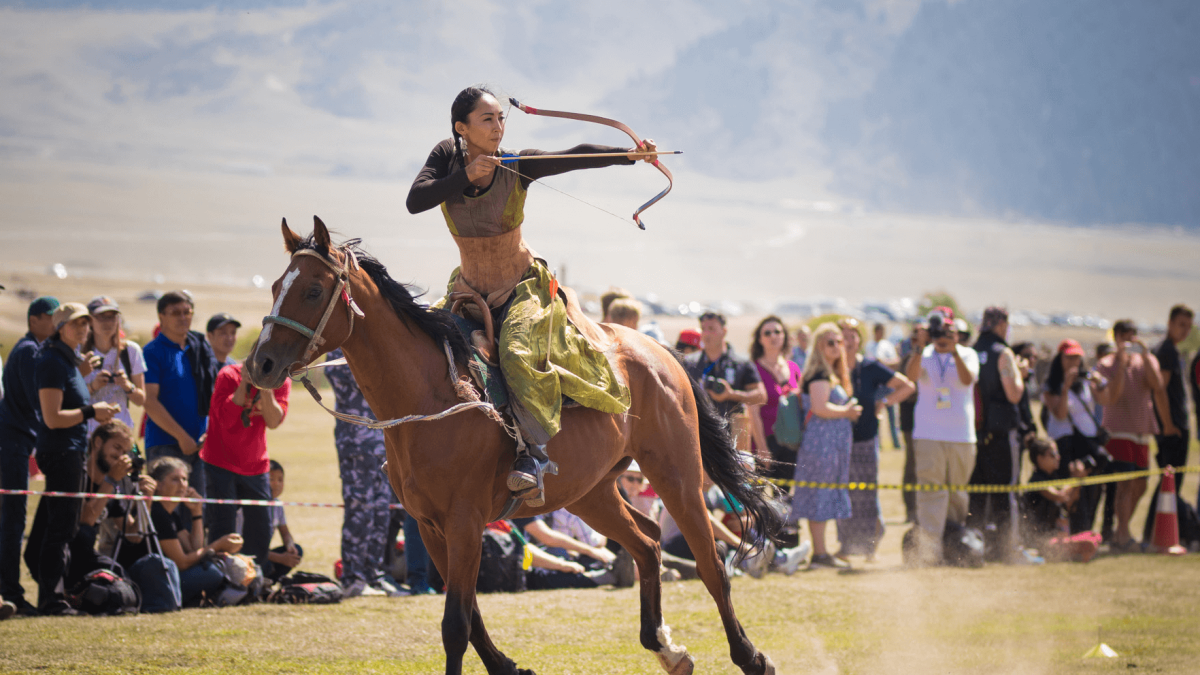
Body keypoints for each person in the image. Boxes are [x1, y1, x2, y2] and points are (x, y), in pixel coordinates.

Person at [406, 86, 660, 505]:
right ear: (461, 128)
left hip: (522, 286)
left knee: (517, 353)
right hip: (469, 289)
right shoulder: (445, 158)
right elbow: (416, 201)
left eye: (501, 118)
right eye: (487, 119)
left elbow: (570, 156)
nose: (498, 126)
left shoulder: (515, 163)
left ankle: (533, 454)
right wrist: (463, 176)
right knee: (430, 348)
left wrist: (628, 154)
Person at [33, 302, 121, 614]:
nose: (82, 329)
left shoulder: (68, 361)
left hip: (69, 450)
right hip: (61, 452)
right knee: (61, 529)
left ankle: (49, 591)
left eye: (85, 323)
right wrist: (91, 411)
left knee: (50, 525)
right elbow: (52, 417)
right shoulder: (54, 362)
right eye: (75, 324)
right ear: (59, 329)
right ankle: (53, 598)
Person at [324, 349, 415, 597]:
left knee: (381, 511)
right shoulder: (339, 349)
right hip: (356, 443)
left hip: (382, 442)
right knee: (360, 511)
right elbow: (347, 375)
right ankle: (354, 577)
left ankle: (375, 575)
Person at [199, 360, 290, 577]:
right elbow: (225, 419)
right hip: (220, 461)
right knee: (223, 522)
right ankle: (219, 577)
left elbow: (274, 420)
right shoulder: (229, 375)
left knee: (261, 525)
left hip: (255, 463)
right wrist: (244, 385)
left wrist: (265, 387)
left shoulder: (280, 380)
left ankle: (255, 577)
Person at [111, 457, 242, 606]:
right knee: (212, 572)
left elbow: (194, 549)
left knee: (213, 568)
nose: (182, 485)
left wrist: (197, 513)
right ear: (158, 485)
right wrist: (218, 545)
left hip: (157, 579)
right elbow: (183, 562)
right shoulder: (157, 512)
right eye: (175, 479)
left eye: (184, 479)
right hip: (142, 583)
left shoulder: (170, 514)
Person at [905, 307, 979, 566]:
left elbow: (967, 379)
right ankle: (929, 550)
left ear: (958, 333)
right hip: (928, 434)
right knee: (930, 493)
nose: (942, 338)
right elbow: (911, 378)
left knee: (958, 493)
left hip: (962, 436)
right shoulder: (923, 355)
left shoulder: (968, 354)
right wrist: (920, 346)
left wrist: (955, 349)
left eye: (948, 332)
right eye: (938, 333)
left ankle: (955, 543)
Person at [1094, 320, 1175, 552]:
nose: (1130, 342)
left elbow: (1157, 385)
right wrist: (1121, 364)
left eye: (1133, 337)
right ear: (1117, 337)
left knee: (1140, 484)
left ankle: (1123, 530)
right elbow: (1112, 396)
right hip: (1119, 431)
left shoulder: (1146, 360)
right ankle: (1122, 534)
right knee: (1124, 485)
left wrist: (1147, 356)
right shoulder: (1106, 363)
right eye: (1126, 337)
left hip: (1142, 430)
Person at [0, 296, 59, 616]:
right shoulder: (28, 352)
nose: (55, 323)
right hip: (13, 442)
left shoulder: (33, 350)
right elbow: (39, 403)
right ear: (34, 319)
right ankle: (11, 591)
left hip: (20, 441)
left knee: (13, 518)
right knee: (13, 519)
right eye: (51, 317)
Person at [836, 318, 913, 562]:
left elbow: (907, 385)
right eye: (843, 336)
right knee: (843, 494)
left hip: (867, 439)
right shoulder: (831, 369)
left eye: (852, 336)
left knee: (868, 495)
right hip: (838, 441)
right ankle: (846, 547)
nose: (848, 341)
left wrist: (885, 402)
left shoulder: (870, 367)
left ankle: (870, 547)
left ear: (859, 340)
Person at [790, 322, 861, 569]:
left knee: (824, 494)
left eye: (839, 342)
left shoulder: (832, 372)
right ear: (818, 346)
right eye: (830, 342)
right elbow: (820, 407)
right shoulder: (819, 373)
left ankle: (822, 552)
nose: (836, 347)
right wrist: (848, 411)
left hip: (831, 445)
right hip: (821, 445)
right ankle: (820, 554)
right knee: (818, 495)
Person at [967, 307, 1035, 564]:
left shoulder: (972, 351)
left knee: (977, 494)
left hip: (976, 434)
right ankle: (1008, 550)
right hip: (1001, 435)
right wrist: (1022, 374)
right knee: (1006, 493)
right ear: (1001, 325)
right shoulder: (1003, 353)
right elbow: (1014, 394)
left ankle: (975, 549)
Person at [141, 291, 220, 496]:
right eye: (175, 313)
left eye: (187, 312)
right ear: (161, 317)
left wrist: (208, 432)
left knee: (197, 512)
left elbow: (213, 394)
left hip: (200, 445)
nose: (183, 317)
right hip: (165, 445)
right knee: (167, 515)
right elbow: (149, 401)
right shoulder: (152, 352)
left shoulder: (201, 348)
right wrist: (182, 437)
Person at [1042, 339, 1108, 533]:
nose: (1073, 362)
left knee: (1091, 491)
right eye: (1069, 357)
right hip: (1064, 444)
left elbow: (1106, 400)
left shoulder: (1086, 380)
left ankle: (1086, 531)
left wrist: (1100, 382)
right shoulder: (1051, 384)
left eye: (1077, 358)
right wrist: (1065, 387)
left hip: (1087, 443)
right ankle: (1067, 532)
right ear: (1059, 359)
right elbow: (1060, 414)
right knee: (1069, 490)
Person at [1142, 305, 1194, 542]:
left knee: (1171, 484)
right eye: (1181, 324)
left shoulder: (1171, 350)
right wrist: (1168, 425)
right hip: (1171, 428)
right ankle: (1155, 534)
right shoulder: (1166, 351)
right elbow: (1159, 390)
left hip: (1175, 425)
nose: (1185, 331)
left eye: (1188, 326)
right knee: (1168, 483)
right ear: (1170, 323)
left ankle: (1159, 533)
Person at [746, 315, 804, 485]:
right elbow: (753, 412)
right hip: (764, 440)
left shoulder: (793, 368)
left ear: (784, 336)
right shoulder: (753, 369)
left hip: (791, 441)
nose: (773, 336)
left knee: (785, 498)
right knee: (759, 500)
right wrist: (762, 448)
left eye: (777, 332)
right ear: (760, 339)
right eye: (767, 333)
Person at [684, 311, 767, 421]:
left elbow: (761, 396)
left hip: (730, 433)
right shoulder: (689, 363)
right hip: (699, 432)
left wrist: (731, 395)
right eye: (703, 329)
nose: (706, 333)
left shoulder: (741, 363)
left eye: (711, 329)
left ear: (724, 331)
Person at [82, 296, 146, 434]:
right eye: (101, 317)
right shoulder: (79, 353)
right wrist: (93, 386)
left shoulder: (130, 351)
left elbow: (141, 400)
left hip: (120, 434)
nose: (108, 322)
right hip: (87, 436)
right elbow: (68, 399)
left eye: (112, 317)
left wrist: (127, 385)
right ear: (90, 321)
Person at [897, 320, 927, 522]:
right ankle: (911, 509)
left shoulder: (937, 358)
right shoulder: (909, 359)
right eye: (917, 333)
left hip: (932, 423)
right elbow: (905, 389)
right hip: (912, 423)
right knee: (913, 466)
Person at [865, 322, 902, 451]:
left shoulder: (888, 345)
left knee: (893, 416)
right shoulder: (869, 346)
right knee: (876, 414)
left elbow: (896, 362)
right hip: (876, 386)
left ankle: (896, 442)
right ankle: (877, 442)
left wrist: (882, 363)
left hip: (888, 385)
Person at [264, 460, 303, 581]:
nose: (276, 484)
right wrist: (280, 558)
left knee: (297, 552)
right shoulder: (253, 505)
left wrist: (290, 545)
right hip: (252, 556)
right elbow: (250, 548)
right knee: (266, 565)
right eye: (271, 479)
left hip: (265, 555)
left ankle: (267, 583)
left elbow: (285, 532)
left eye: (280, 480)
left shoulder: (277, 505)